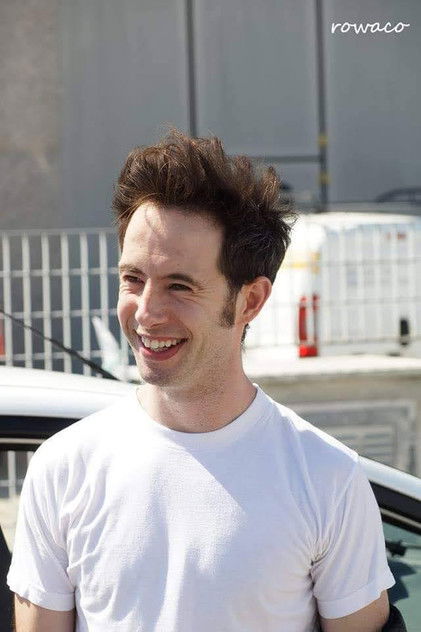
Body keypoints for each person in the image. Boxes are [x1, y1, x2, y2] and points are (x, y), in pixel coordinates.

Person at [8, 129, 395, 631]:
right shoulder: (63, 468)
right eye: (133, 279)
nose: (146, 312)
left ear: (250, 300)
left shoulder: (327, 478)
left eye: (179, 286)